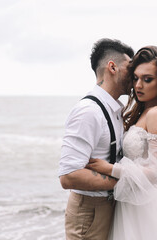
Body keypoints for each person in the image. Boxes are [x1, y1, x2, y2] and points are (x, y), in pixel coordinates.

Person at [86, 46, 157, 240]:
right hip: (133, 203)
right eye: (136, 78)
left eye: (148, 80)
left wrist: (110, 169)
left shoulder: (156, 114)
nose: (138, 85)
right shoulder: (144, 111)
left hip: (147, 208)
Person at [58, 38, 134, 240]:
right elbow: (68, 175)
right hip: (89, 212)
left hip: (109, 207)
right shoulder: (89, 111)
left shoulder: (115, 109)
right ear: (112, 67)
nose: (134, 76)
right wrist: (123, 182)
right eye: (130, 68)